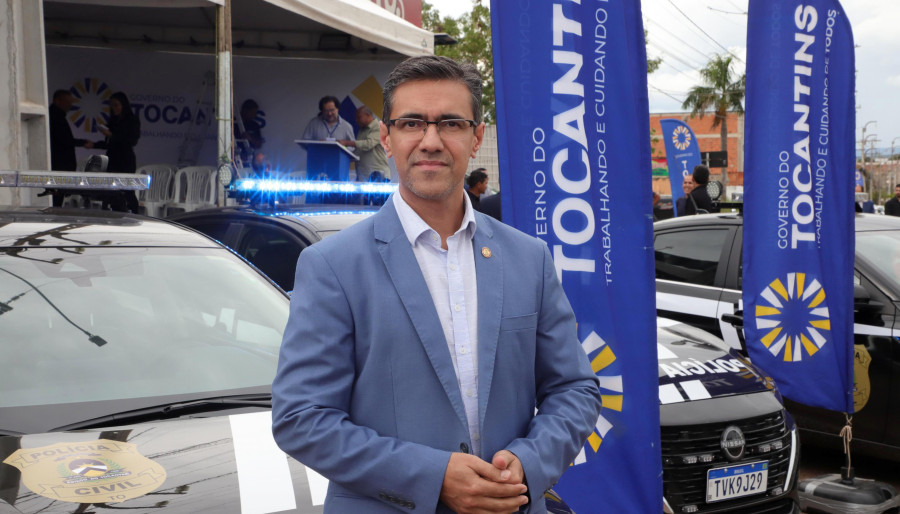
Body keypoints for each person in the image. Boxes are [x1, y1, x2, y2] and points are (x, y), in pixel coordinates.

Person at [272, 55, 601, 513]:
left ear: (476, 136)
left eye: (450, 122)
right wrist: (433, 477)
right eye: (411, 123)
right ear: (386, 137)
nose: (430, 141)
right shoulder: (331, 266)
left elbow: (575, 390)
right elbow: (301, 419)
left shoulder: (529, 258)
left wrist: (527, 462)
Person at [93, 91, 141, 213]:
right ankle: (115, 212)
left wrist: (111, 134)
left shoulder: (132, 120)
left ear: (123, 105)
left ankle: (134, 213)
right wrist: (93, 144)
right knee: (110, 189)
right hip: (112, 158)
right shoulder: (113, 120)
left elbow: (131, 140)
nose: (114, 108)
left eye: (116, 105)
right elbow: (110, 143)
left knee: (127, 189)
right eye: (112, 105)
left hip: (125, 159)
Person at [47, 89, 93, 206]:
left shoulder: (57, 116)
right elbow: (63, 140)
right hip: (58, 166)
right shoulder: (55, 117)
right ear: (58, 101)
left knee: (57, 198)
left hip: (60, 166)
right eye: (67, 102)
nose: (70, 105)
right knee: (56, 199)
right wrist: (82, 142)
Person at [338, 106, 390, 181]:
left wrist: (346, 143)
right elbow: (359, 150)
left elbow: (368, 144)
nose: (356, 120)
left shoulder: (379, 127)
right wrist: (344, 156)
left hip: (378, 175)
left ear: (368, 115)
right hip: (363, 176)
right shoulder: (362, 130)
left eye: (359, 117)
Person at [235, 99, 264, 166]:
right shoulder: (234, 123)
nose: (254, 115)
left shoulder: (254, 125)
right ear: (245, 110)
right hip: (235, 159)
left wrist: (250, 138)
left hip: (249, 159)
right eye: (252, 113)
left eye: (255, 113)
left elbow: (259, 144)